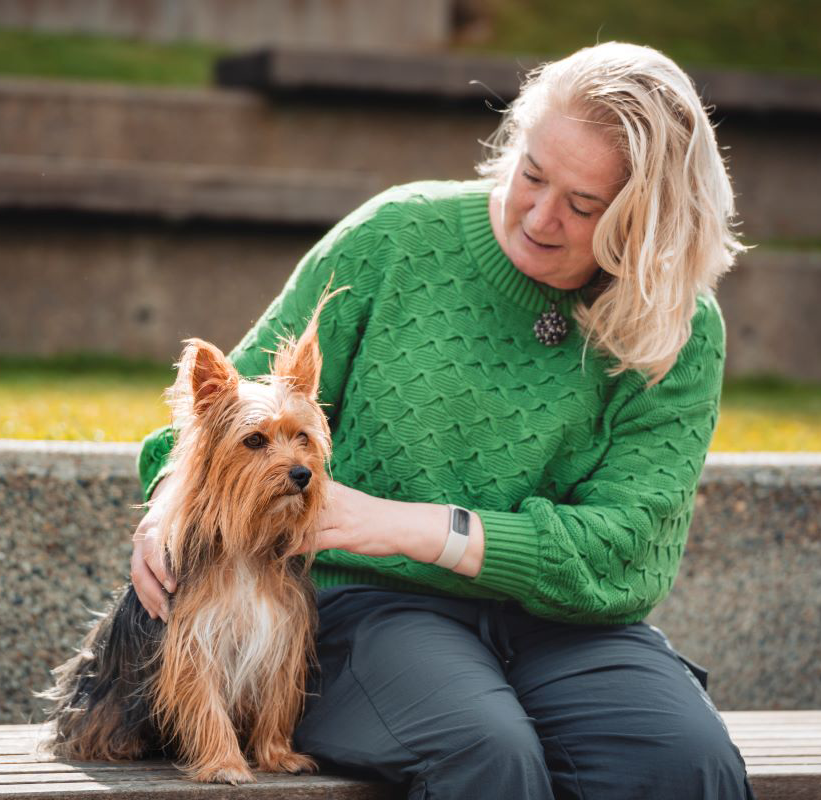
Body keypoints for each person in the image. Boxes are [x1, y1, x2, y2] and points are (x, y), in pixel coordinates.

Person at [132, 41, 755, 799]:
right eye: (531, 173)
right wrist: (163, 510)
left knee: (687, 766)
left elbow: (625, 551)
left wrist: (415, 526)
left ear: (648, 225)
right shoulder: (395, 236)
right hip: (371, 608)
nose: (538, 214)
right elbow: (222, 414)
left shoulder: (681, 325)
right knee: (487, 755)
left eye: (583, 206)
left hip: (568, 624)